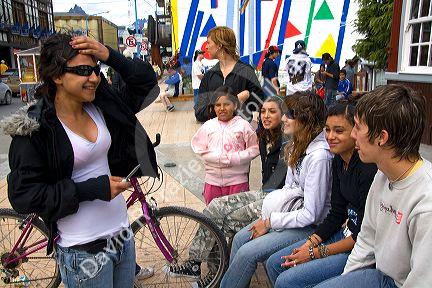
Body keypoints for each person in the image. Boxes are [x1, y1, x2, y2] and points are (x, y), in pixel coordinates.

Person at [4, 34, 159, 287]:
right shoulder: (36, 128)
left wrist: (108, 54)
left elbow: (146, 83)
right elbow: (24, 195)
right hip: (83, 251)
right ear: (57, 76)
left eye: (96, 70)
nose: (95, 78)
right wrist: (94, 189)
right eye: (84, 71)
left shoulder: (103, 106)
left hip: (122, 237)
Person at [315, 85, 432, 288]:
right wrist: (345, 281)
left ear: (382, 137)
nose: (353, 135)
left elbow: (422, 281)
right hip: (380, 272)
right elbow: (367, 238)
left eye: (358, 127)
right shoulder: (382, 173)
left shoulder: (425, 202)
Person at [166, 96, 290, 287]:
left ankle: (219, 274)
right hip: (266, 194)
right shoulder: (264, 134)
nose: (265, 116)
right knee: (215, 206)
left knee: (228, 219)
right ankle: (195, 263)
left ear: (283, 116)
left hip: (280, 200)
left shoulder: (287, 140)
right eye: (263, 111)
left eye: (272, 111)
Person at [220, 92, 333, 288]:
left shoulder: (319, 157)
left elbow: (312, 215)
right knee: (240, 237)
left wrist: (271, 222)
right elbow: (289, 187)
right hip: (290, 214)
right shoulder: (297, 145)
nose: (283, 118)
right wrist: (270, 219)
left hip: (310, 227)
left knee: (248, 253)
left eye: (289, 114)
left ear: (306, 118)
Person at [266, 102, 378, 288]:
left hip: (359, 249)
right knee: (276, 263)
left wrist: (314, 253)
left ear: (354, 132)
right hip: (341, 234)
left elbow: (363, 235)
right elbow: (336, 214)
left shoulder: (367, 169)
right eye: (327, 130)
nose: (330, 137)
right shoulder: (338, 161)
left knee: (287, 280)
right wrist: (309, 244)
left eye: (339, 131)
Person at [191, 85, 259, 204]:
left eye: (227, 104)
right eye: (218, 105)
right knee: (212, 218)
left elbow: (255, 148)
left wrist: (235, 158)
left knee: (238, 217)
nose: (222, 108)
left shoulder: (243, 126)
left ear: (235, 105)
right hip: (212, 182)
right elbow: (197, 147)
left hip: (237, 182)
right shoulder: (208, 126)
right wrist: (216, 158)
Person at [195, 26, 264, 123]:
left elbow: (259, 105)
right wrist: (235, 101)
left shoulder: (247, 72)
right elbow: (199, 113)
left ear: (219, 45)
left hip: (240, 135)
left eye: (209, 42)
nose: (206, 47)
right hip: (215, 136)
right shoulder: (209, 76)